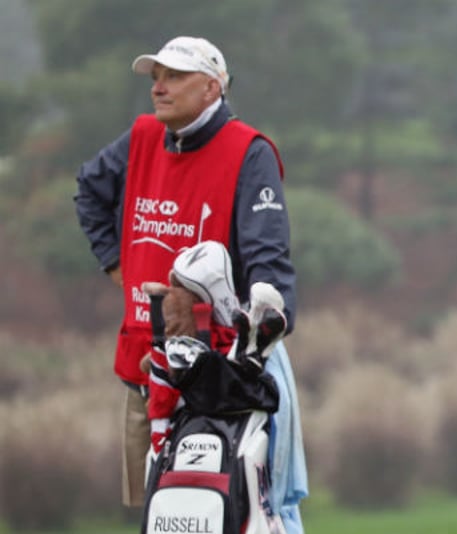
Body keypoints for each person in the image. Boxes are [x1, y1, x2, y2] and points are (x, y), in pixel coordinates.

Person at [74, 36, 308, 533]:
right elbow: (90, 189)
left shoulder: (250, 152)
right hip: (147, 365)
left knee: (235, 512)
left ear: (211, 87)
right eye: (156, 77)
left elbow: (268, 263)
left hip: (223, 374)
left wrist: (265, 328)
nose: (158, 88)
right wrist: (116, 264)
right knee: (164, 513)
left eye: (174, 77)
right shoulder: (142, 137)